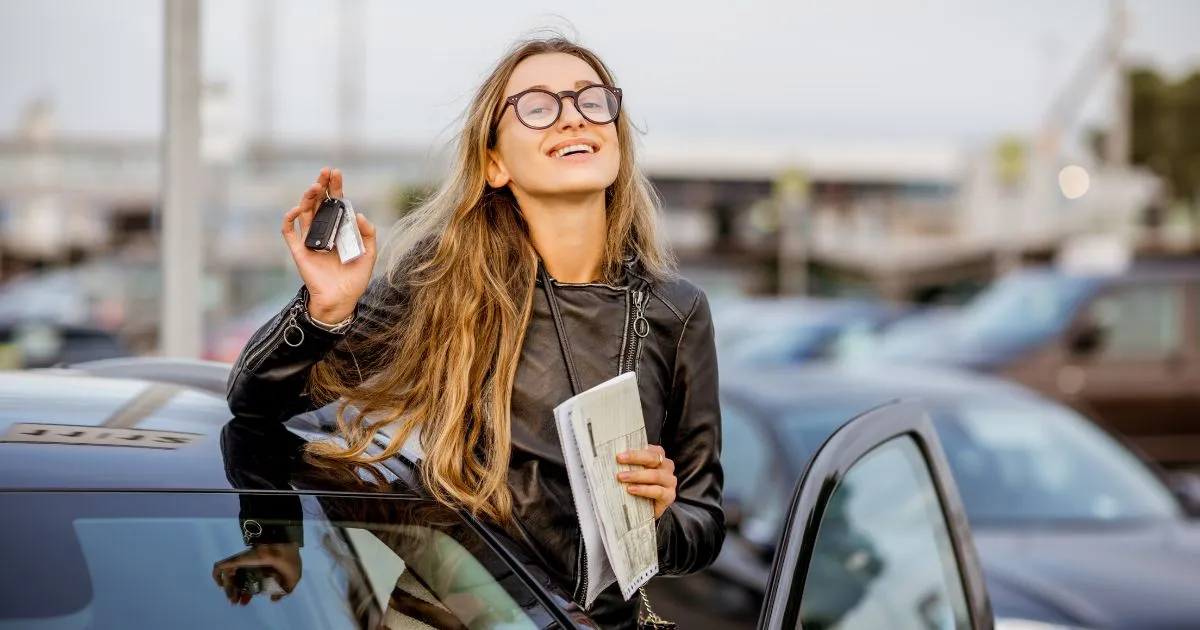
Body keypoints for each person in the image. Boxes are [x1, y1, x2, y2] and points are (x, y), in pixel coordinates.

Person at [227, 35, 724, 629]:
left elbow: (703, 524)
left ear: (615, 135)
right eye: (538, 107)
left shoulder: (678, 310)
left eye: (592, 100)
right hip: (451, 612)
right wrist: (325, 307)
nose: (571, 116)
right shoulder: (440, 285)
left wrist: (658, 521)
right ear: (495, 164)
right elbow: (253, 405)